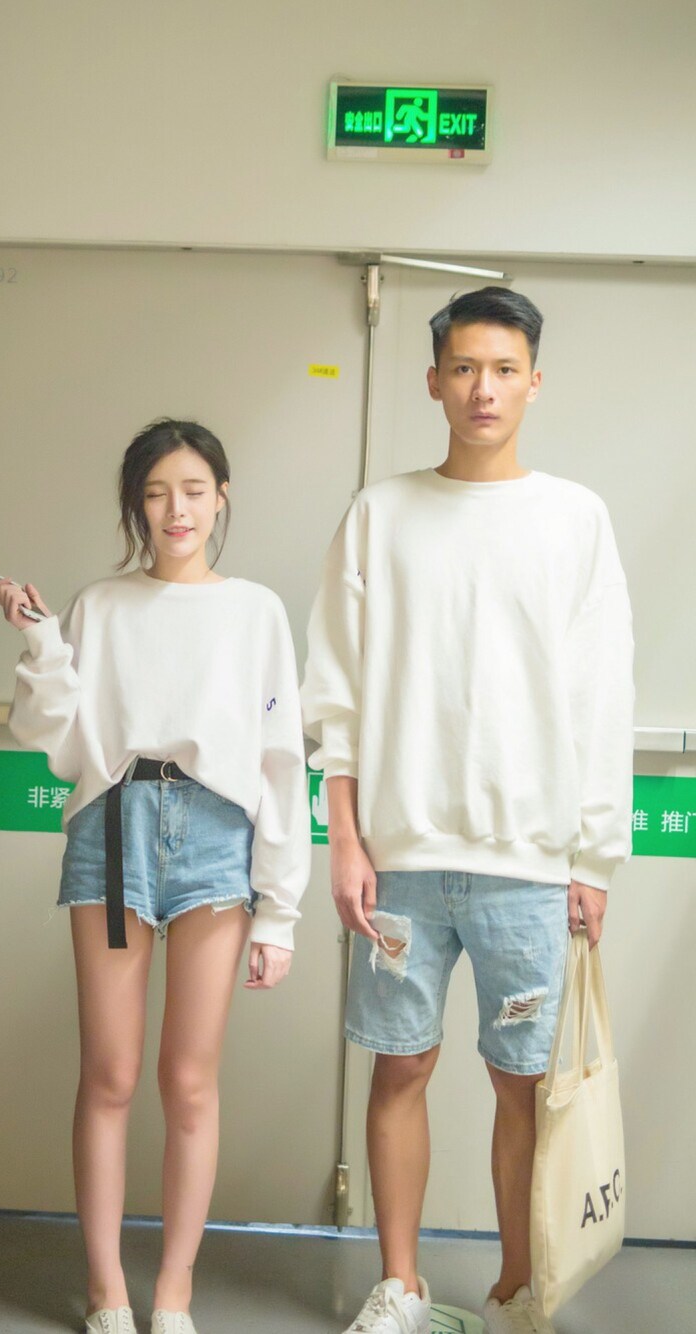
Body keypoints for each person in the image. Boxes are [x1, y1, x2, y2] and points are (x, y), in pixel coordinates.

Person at [300, 288, 634, 1334]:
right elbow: (335, 691)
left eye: (503, 369)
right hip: (398, 855)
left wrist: (594, 859)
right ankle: (399, 1285)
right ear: (433, 380)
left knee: (521, 1083)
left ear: (533, 382)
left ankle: (515, 1291)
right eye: (463, 368)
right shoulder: (379, 513)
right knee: (398, 1064)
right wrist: (344, 839)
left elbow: (603, 693)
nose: (482, 388)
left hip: (529, 862)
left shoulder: (574, 518)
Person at [0, 419, 309, 1334]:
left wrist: (280, 911)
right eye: (159, 492)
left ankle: (174, 1293)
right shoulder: (100, 605)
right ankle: (107, 1292)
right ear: (137, 503)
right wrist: (43, 642)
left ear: (221, 499)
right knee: (111, 1074)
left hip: (216, 836)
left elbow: (281, 760)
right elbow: (55, 741)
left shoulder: (256, 611)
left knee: (190, 1081)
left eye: (195, 490)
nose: (178, 509)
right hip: (114, 828)